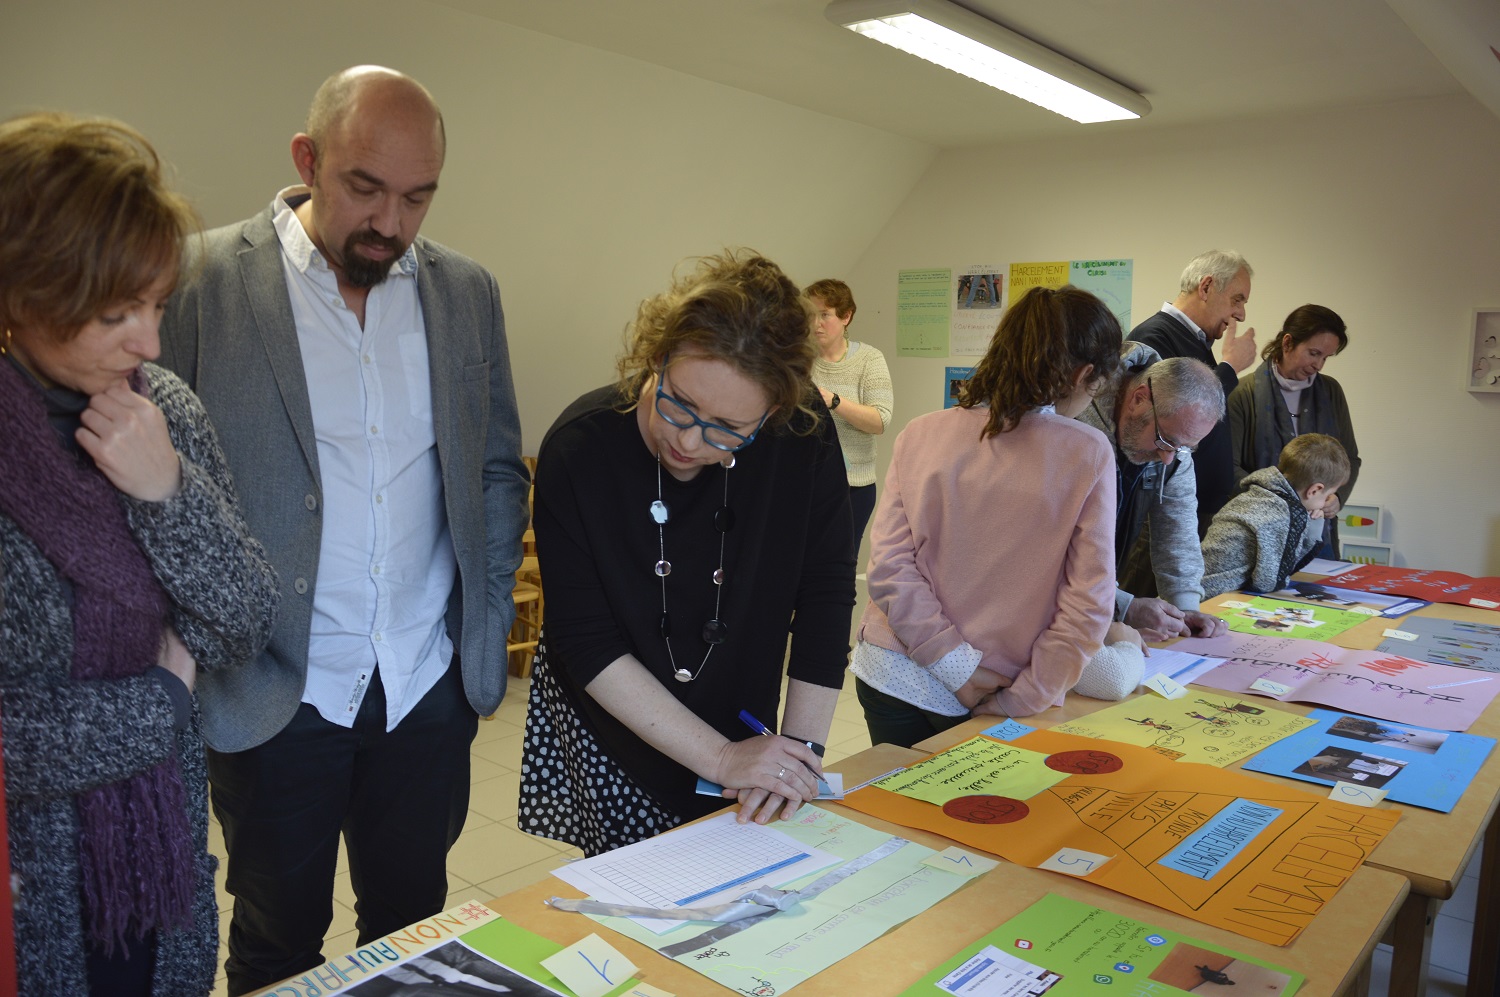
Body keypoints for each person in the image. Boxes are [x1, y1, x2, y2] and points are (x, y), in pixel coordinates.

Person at [157, 67, 530, 994]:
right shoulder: (200, 279)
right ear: (307, 159)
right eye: (365, 187)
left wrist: (481, 622)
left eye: (417, 197)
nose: (390, 223)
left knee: (414, 932)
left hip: (423, 683)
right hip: (275, 685)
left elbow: (494, 466)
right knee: (278, 942)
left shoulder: (466, 291)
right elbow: (160, 481)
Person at [0, 113, 278, 996]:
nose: (150, 344)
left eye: (157, 305)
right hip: (30, 886)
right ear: (22, 291)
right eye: (116, 313)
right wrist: (160, 700)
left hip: (157, 865)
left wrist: (168, 493)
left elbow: (243, 621)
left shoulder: (166, 407)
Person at [519, 251, 854, 856]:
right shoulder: (581, 448)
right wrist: (720, 757)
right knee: (642, 885)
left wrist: (799, 756)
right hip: (617, 715)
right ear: (658, 355)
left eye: (728, 428)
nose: (688, 440)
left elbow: (826, 590)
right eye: (678, 403)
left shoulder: (801, 433)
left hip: (740, 701)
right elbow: (585, 638)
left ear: (773, 412)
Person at [851, 286, 1140, 747]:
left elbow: (888, 568)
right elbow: (1088, 602)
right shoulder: (1086, 452)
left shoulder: (920, 433)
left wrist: (951, 661)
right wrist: (1028, 694)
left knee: (893, 794)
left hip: (894, 671)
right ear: (1083, 374)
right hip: (998, 688)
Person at [1078, 348, 1231, 641]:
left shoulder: (1174, 446)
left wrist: (1185, 608)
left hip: (1097, 606)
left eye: (1184, 447)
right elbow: (1054, 552)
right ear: (1138, 399)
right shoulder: (1077, 427)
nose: (1167, 458)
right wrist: (1123, 606)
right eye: (1165, 441)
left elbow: (1178, 532)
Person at [1126, 251, 1259, 553]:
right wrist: (1230, 368)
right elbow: (1176, 411)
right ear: (1207, 287)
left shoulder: (1195, 340)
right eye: (1237, 300)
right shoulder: (1154, 337)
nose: (1241, 314)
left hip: (1193, 513)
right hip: (1163, 520)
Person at [1227, 304, 1361, 559]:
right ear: (1287, 343)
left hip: (1318, 532)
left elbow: (1350, 459)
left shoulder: (1331, 391)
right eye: (1314, 353)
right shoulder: (1243, 393)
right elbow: (1228, 469)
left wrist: (1336, 497)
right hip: (1259, 532)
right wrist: (1284, 502)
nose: (1318, 365)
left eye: (1325, 358)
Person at [1201, 433, 1351, 598]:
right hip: (1215, 596)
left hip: (1204, 588)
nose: (1325, 503)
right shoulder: (1280, 513)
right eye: (1327, 495)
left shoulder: (1262, 493)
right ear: (1314, 490)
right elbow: (1269, 582)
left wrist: (1313, 522)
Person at [805, 279, 893, 552]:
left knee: (840, 561)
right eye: (811, 314)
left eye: (825, 315)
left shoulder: (869, 359)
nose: (816, 323)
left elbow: (880, 421)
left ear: (846, 317)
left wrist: (834, 401)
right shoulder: (798, 358)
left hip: (853, 486)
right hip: (806, 482)